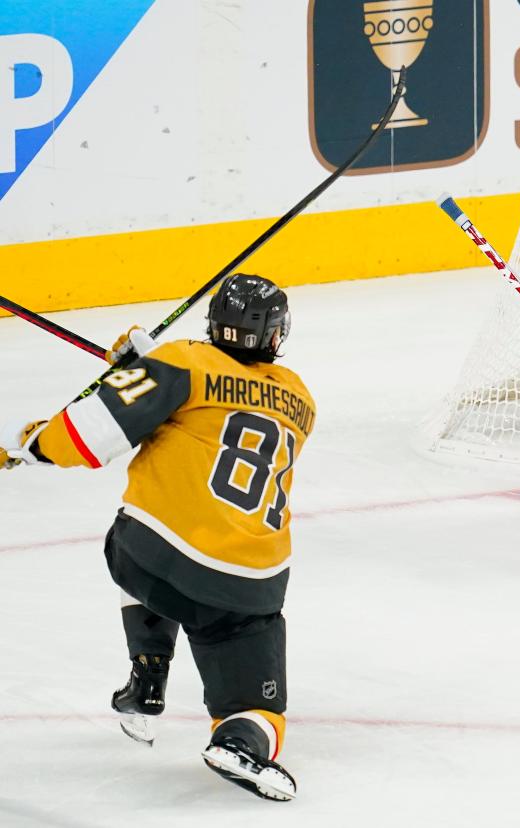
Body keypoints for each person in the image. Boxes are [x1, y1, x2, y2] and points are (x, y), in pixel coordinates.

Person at [0, 274, 313, 801]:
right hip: (248, 586)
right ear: (276, 336)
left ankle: (148, 672)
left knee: (148, 543)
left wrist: (31, 443)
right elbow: (220, 405)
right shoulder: (300, 399)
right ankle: (238, 742)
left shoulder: (182, 362)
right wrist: (148, 362)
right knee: (259, 710)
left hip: (149, 558)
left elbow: (86, 435)